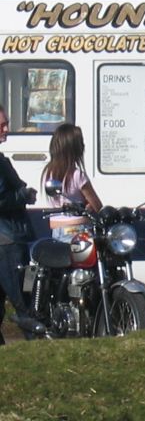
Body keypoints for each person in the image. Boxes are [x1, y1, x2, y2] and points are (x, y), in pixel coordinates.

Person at [0, 104, 43, 344]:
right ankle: (36, 349)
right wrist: (23, 195)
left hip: (8, 238)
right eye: (2, 125)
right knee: (24, 299)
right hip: (9, 241)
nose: (6, 129)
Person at [41, 123, 103, 241]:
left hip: (57, 231)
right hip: (78, 230)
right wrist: (89, 206)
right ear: (74, 149)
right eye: (81, 143)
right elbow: (97, 205)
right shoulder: (77, 175)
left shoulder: (48, 173)